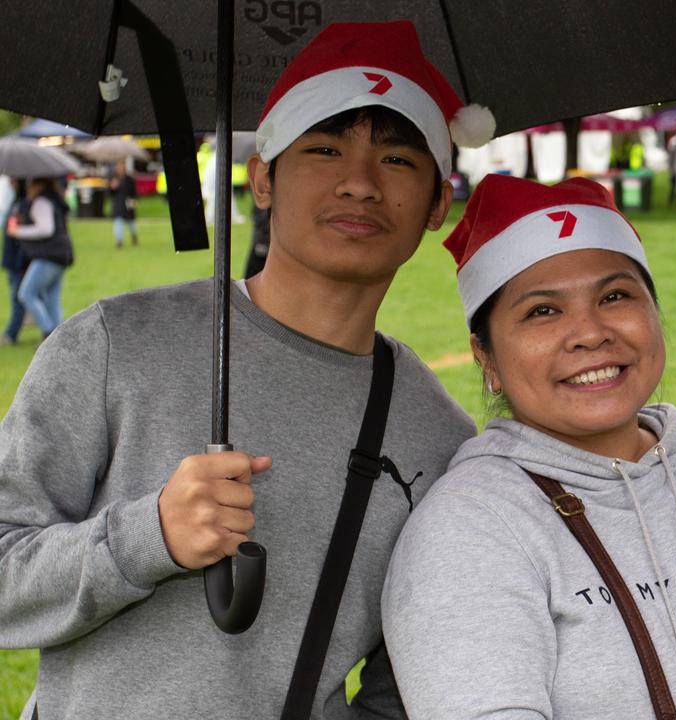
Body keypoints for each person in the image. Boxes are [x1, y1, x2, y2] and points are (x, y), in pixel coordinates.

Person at [0, 20, 494, 718]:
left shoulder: (439, 440)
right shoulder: (115, 345)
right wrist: (151, 537)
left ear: (440, 204)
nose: (358, 183)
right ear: (262, 177)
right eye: (324, 148)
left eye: (398, 160)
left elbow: (415, 676)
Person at [383, 174, 676, 719]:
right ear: (486, 358)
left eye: (615, 296)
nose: (589, 332)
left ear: (655, 315)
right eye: (543, 310)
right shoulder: (469, 529)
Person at [7, 175, 72, 339]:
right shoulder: (52, 199)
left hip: (48, 256)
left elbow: (46, 229)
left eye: (30, 183)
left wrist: (18, 231)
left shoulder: (41, 202)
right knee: (52, 298)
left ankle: (48, 332)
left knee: (26, 293)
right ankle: (60, 338)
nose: (27, 187)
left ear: (39, 185)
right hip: (61, 255)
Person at [0, 176, 25, 345]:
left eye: (13, 180)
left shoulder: (21, 205)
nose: (10, 183)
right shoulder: (16, 202)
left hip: (18, 260)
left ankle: (11, 334)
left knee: (19, 297)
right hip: (12, 258)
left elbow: (18, 234)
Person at [109, 160, 140, 248]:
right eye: (118, 167)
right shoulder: (113, 179)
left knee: (131, 225)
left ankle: (134, 236)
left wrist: (135, 200)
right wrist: (112, 188)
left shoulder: (129, 179)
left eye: (122, 166)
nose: (120, 168)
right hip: (118, 205)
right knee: (118, 223)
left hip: (128, 205)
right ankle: (119, 241)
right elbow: (109, 194)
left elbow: (134, 192)